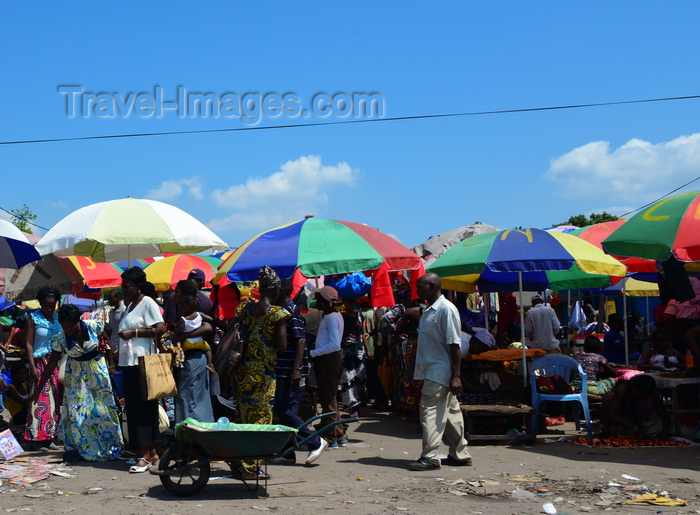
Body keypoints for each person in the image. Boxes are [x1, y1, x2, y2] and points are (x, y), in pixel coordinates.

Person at [32, 304, 123, 462]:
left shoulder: (95, 326)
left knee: (103, 410)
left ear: (78, 321)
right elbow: (51, 365)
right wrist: (38, 389)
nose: (67, 329)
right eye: (64, 326)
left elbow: (107, 344)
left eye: (70, 325)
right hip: (75, 378)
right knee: (79, 413)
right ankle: (84, 449)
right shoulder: (60, 339)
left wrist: (111, 365)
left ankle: (108, 446)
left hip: (98, 374)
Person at [408, 273, 471, 471]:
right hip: (434, 370)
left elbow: (455, 345)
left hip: (440, 372)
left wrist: (456, 376)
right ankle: (460, 453)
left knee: (430, 412)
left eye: (421, 286)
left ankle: (429, 457)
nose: (417, 290)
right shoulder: (428, 310)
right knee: (451, 413)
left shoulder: (446, 309)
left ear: (434, 285)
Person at [232, 266, 289, 480]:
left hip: (244, 372)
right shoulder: (276, 314)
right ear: (274, 290)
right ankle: (251, 468)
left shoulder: (245, 309)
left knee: (243, 418)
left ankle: (239, 463)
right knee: (261, 421)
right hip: (264, 375)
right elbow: (282, 346)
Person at [270, 278, 328, 466]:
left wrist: (296, 368)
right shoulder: (285, 309)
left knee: (284, 410)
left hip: (289, 369)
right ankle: (288, 452)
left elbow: (301, 340)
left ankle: (315, 441)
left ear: (280, 291)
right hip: (285, 367)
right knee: (288, 409)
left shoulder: (288, 310)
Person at [116, 267, 165, 473]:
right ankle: (150, 452)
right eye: (123, 285)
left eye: (127, 286)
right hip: (129, 363)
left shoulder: (147, 303)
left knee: (142, 410)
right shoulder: (129, 306)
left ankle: (145, 456)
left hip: (142, 364)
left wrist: (133, 332)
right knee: (135, 408)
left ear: (138, 287)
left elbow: (160, 328)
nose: (124, 289)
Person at [24, 286, 63, 450]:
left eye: (52, 305)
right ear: (40, 303)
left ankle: (50, 436)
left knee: (55, 400)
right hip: (40, 363)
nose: (49, 308)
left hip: (56, 364)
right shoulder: (32, 319)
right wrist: (32, 366)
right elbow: (28, 344)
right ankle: (37, 438)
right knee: (40, 400)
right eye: (46, 305)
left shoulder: (58, 318)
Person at [171, 285, 215, 424]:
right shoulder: (195, 313)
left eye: (177, 292)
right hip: (197, 357)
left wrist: (181, 336)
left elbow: (208, 327)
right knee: (198, 396)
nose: (174, 294)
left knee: (187, 395)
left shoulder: (185, 316)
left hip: (192, 358)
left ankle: (187, 431)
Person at [309, 286, 345, 448]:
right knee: (330, 398)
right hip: (329, 360)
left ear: (325, 301)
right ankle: (338, 434)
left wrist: (314, 353)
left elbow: (334, 344)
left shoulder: (331, 318)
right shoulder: (334, 316)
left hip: (328, 360)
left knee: (328, 399)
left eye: (319, 299)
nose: (317, 302)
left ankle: (332, 437)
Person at [600, 373, 671, 437]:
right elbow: (611, 413)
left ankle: (639, 427)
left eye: (646, 395)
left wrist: (664, 433)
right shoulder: (623, 389)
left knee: (647, 402)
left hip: (635, 416)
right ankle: (607, 430)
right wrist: (634, 428)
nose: (644, 396)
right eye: (642, 393)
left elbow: (664, 416)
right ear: (636, 389)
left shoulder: (651, 395)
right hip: (619, 413)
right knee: (608, 396)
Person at [339, 298, 367, 415]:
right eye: (349, 301)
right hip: (345, 351)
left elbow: (362, 333)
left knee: (360, 377)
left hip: (358, 350)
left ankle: (359, 403)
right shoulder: (340, 317)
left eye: (352, 301)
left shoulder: (359, 316)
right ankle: (352, 406)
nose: (351, 304)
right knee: (347, 378)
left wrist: (367, 350)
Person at [6, 363, 30, 428]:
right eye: (21, 374)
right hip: (17, 416)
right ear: (15, 375)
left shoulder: (25, 384)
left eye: (25, 374)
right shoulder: (11, 389)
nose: (24, 376)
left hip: (25, 412)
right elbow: (25, 403)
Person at [107, 289, 126, 362]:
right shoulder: (111, 311)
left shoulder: (123, 310)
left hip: (121, 344)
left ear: (119, 298)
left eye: (111, 299)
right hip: (113, 343)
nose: (109, 301)